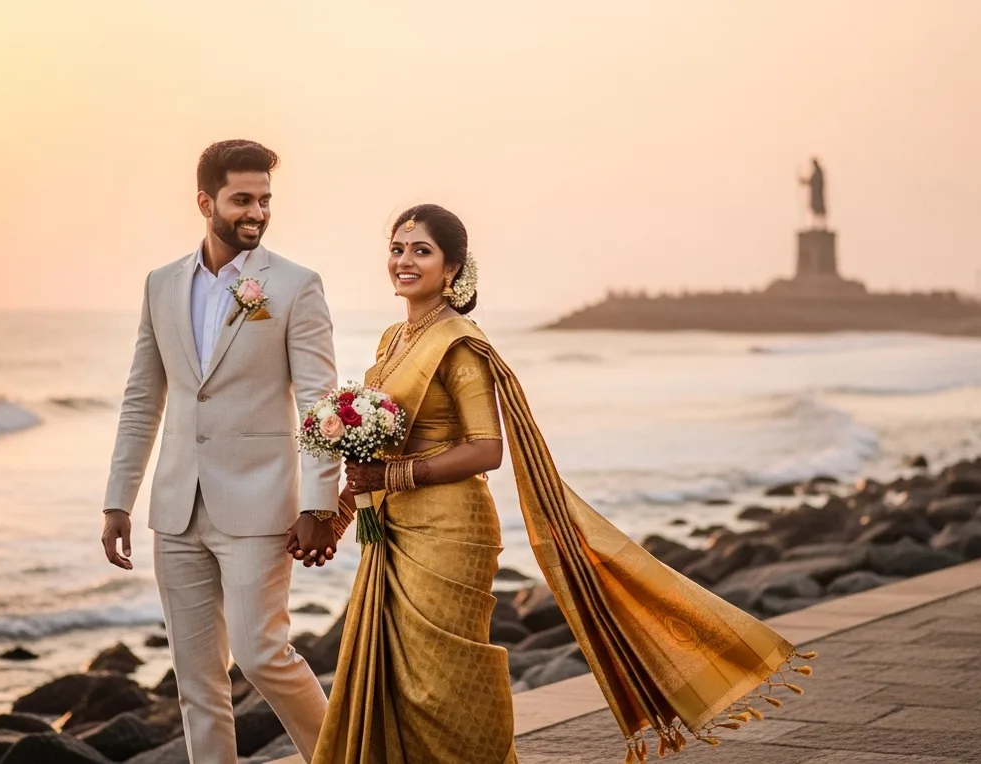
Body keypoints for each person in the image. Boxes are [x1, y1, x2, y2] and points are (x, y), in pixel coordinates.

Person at [308, 204, 812, 764]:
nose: (404, 261)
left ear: (452, 268)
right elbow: (376, 449)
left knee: (441, 681)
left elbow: (487, 449)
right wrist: (337, 516)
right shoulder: (392, 339)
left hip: (449, 529)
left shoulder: (459, 344)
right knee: (397, 682)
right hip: (394, 529)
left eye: (421, 251)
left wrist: (395, 475)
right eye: (397, 250)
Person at [101, 139, 344, 764]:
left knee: (263, 653)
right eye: (242, 199)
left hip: (260, 505)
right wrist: (117, 500)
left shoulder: (295, 286)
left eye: (265, 200)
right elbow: (140, 399)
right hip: (177, 507)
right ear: (206, 201)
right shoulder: (160, 286)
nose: (256, 212)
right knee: (196, 679)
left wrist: (320, 503)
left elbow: (320, 405)